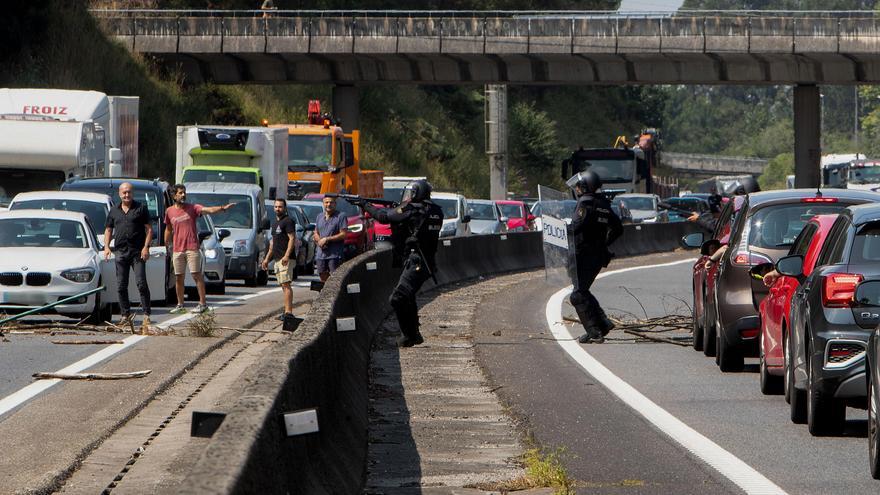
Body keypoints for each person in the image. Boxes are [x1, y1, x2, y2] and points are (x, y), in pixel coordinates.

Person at [352, 180, 444, 347]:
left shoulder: (412, 209)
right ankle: (414, 333)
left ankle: (409, 335)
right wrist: (399, 207)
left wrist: (364, 204)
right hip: (427, 262)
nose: (409, 195)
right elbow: (414, 221)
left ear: (416, 193)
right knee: (408, 295)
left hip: (416, 260)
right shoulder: (436, 211)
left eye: (412, 193)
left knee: (398, 298)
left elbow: (383, 216)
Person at [567, 170, 623, 344]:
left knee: (577, 295)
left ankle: (595, 331)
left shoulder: (585, 203)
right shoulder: (603, 204)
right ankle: (603, 323)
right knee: (582, 290)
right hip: (598, 256)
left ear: (585, 187)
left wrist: (557, 227)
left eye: (579, 185)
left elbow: (575, 227)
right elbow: (618, 228)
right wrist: (603, 243)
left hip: (583, 254)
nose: (576, 188)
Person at [164, 184, 234, 314]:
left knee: (196, 275)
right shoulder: (169, 211)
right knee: (178, 277)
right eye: (180, 193)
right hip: (177, 249)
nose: (183, 195)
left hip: (192, 248)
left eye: (184, 192)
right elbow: (168, 229)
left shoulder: (193, 208)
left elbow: (208, 210)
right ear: (174, 196)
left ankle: (203, 304)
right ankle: (180, 305)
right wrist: (166, 245)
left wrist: (222, 208)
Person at [104, 182, 153, 330]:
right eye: (124, 193)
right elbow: (108, 230)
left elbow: (149, 229)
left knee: (141, 283)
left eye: (129, 192)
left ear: (132, 193)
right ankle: (125, 315)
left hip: (137, 252)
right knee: (121, 285)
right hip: (120, 252)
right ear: (119, 194)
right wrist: (106, 247)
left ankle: (146, 315)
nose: (126, 195)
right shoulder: (113, 210)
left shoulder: (141, 208)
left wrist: (146, 247)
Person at [261, 198, 301, 323]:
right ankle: (286, 311)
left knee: (286, 284)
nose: (278, 209)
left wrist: (287, 255)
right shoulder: (274, 224)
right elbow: (273, 244)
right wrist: (267, 259)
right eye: (276, 207)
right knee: (283, 285)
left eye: (280, 207)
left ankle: (289, 312)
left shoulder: (288, 221)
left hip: (285, 259)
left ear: (285, 208)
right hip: (278, 259)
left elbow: (292, 238)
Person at [313, 196, 348, 282]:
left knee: (335, 279)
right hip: (321, 254)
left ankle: (334, 295)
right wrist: (319, 240)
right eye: (326, 202)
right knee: (322, 276)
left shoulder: (341, 216)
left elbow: (343, 234)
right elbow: (316, 232)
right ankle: (326, 294)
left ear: (335, 204)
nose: (329, 204)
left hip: (334, 254)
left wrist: (327, 239)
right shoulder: (319, 216)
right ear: (323, 204)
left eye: (331, 202)